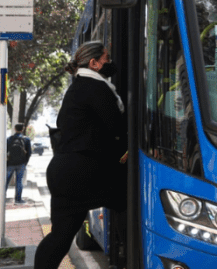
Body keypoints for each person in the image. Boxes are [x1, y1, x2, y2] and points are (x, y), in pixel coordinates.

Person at [34, 41, 127, 269]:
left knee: (61, 236)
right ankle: (127, 256)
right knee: (128, 202)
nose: (111, 63)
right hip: (83, 171)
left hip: (64, 171)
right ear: (94, 63)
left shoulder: (78, 87)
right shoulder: (96, 87)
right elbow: (117, 127)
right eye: (107, 58)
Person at [5, 123, 32, 204]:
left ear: (14, 129)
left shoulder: (9, 139)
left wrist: (7, 161)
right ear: (22, 129)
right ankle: (18, 199)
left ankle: (1, 198)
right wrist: (25, 162)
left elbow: (5, 151)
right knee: (19, 181)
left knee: (5, 181)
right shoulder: (26, 139)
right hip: (21, 163)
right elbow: (29, 152)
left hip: (10, 163)